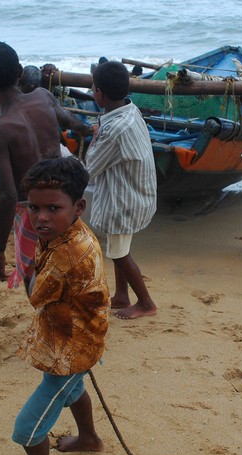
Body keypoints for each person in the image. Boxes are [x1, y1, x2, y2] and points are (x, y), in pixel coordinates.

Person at [9, 156, 109, 455]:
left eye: (53, 208)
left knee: (28, 428)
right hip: (78, 334)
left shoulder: (68, 254)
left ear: (78, 206)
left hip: (70, 349)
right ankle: (89, 439)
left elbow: (36, 297)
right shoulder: (70, 231)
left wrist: (26, 267)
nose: (41, 218)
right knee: (73, 390)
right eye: (34, 208)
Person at [0, 42, 91, 280]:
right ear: (19, 71)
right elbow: (69, 122)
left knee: (34, 276)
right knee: (67, 268)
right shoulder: (43, 96)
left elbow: (8, 194)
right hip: (63, 201)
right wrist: (88, 129)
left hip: (33, 210)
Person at [85, 61, 158, 319]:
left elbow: (90, 167)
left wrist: (95, 136)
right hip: (136, 193)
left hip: (124, 200)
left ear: (99, 93)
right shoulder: (131, 110)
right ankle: (121, 295)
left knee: (119, 253)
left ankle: (146, 303)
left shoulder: (113, 130)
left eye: (93, 88)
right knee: (120, 247)